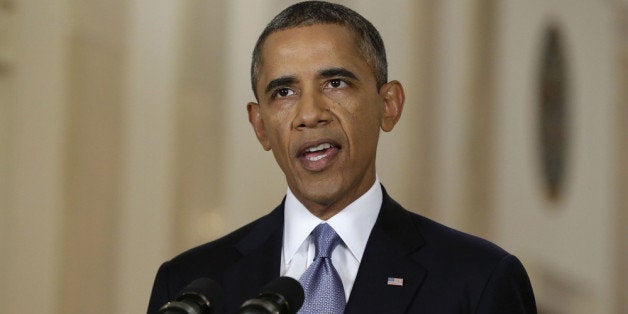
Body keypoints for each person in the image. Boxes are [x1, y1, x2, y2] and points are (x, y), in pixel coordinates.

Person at [148, 1, 536, 313]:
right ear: (260, 125)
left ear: (389, 105)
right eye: (284, 92)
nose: (309, 113)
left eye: (335, 83)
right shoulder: (189, 285)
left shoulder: (478, 280)